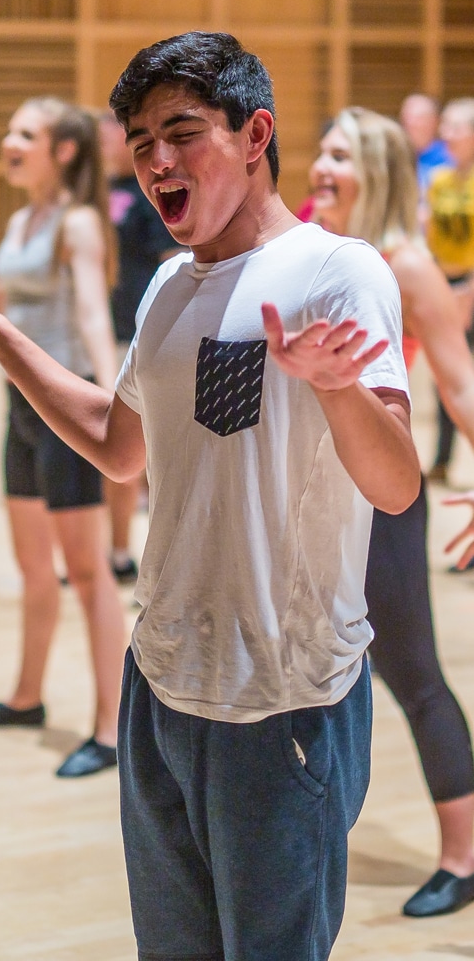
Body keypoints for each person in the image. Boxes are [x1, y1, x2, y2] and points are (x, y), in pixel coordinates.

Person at [0, 31, 420, 960]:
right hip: (162, 686)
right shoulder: (165, 289)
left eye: (181, 133)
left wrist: (335, 387)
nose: (157, 160)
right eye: (140, 140)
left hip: (281, 701)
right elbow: (116, 445)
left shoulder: (335, 271)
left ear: (254, 132)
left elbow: (394, 486)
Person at [310, 106, 474, 915]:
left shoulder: (404, 265)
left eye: (337, 155)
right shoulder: (309, 250)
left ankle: (463, 854)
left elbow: (459, 382)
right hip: (310, 494)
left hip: (383, 493)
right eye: (319, 151)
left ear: (374, 168)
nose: (318, 166)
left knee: (410, 671)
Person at [0, 98, 127, 778]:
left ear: (64, 151)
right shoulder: (23, 218)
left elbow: (89, 311)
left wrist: (113, 400)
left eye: (26, 133)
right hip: (17, 408)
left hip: (66, 409)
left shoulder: (78, 223)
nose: (8, 141)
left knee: (87, 573)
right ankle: (26, 696)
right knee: (32, 569)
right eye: (10, 128)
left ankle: (110, 727)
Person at [98, 109, 177, 583]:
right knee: (119, 455)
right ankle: (119, 551)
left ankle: (150, 559)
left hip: (137, 332)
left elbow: (171, 260)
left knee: (145, 456)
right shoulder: (97, 193)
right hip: (103, 331)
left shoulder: (149, 199)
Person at [424, 97, 474, 484]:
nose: (446, 134)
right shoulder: (438, 179)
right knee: (446, 373)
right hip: (447, 285)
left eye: (455, 127)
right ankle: (442, 460)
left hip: (472, 284)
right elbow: (430, 238)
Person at [400, 92, 452, 207]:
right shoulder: (396, 156)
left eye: (418, 118)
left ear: (435, 121)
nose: (410, 123)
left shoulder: (450, 155)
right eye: (407, 117)